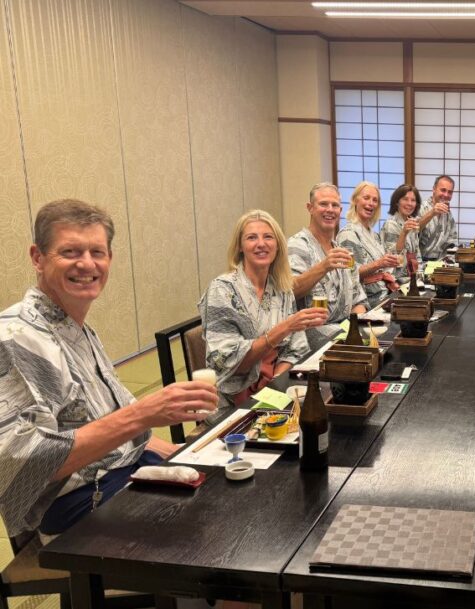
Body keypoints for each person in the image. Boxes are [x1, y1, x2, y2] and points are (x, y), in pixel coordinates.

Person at [0, 199, 219, 538]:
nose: (86, 263)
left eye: (97, 252)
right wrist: (142, 414)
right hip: (74, 504)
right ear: (37, 258)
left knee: (231, 490)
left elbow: (111, 429)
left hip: (125, 473)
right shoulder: (15, 337)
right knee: (218, 534)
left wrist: (183, 454)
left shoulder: (77, 327)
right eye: (70, 251)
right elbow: (22, 465)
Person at [200, 210, 326, 406]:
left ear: (277, 246)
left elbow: (296, 349)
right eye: (251, 238)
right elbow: (227, 362)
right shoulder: (222, 290)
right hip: (233, 400)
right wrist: (284, 328)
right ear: (240, 247)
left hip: (275, 389)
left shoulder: (282, 288)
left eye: (268, 237)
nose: (261, 244)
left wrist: (275, 384)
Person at [288, 183, 368, 350]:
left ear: (340, 210)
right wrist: (323, 266)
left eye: (335, 205)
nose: (330, 210)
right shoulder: (297, 245)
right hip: (310, 334)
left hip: (345, 328)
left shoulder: (343, 251)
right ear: (310, 208)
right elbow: (289, 291)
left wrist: (356, 327)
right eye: (323, 204)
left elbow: (358, 298)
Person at [337, 181, 401, 306]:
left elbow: (384, 268)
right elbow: (349, 275)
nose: (371, 203)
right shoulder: (348, 234)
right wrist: (379, 263)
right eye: (366, 198)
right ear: (355, 200)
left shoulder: (374, 235)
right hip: (367, 301)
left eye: (375, 200)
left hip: (385, 293)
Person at [380, 184, 423, 281]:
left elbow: (417, 254)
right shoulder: (390, 224)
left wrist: (420, 274)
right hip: (396, 279)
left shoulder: (412, 221)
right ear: (397, 202)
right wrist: (404, 232)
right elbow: (392, 257)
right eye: (405, 199)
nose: (409, 203)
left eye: (413, 200)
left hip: (412, 277)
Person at [418, 175, 459, 260]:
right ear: (434, 189)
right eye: (443, 190)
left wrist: (449, 260)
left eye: (450, 192)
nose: (446, 195)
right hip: (420, 263)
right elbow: (412, 232)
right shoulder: (420, 208)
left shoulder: (448, 214)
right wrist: (432, 213)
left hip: (441, 264)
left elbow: (452, 240)